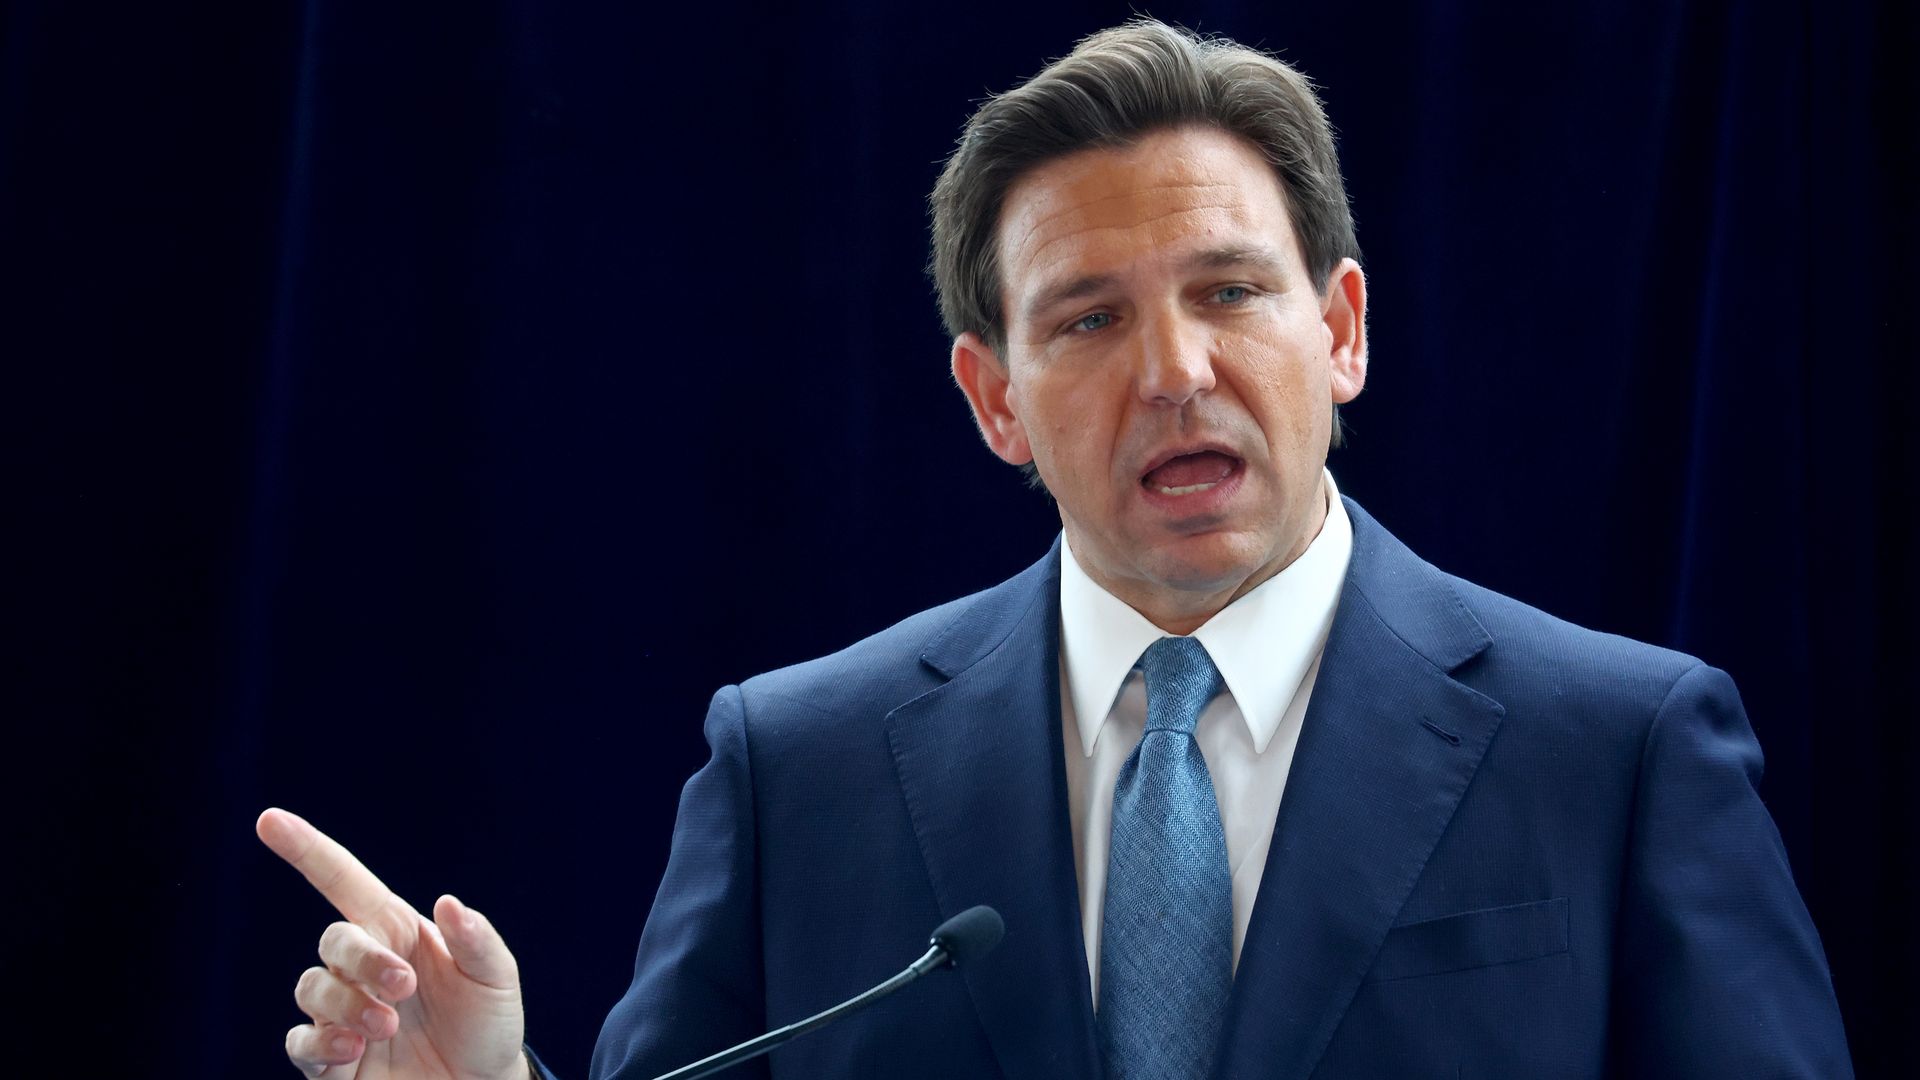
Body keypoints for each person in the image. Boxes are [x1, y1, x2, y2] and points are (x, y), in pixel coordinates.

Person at [259, 18, 1853, 1079]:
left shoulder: (1620, 747)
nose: (1173, 370)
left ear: (1343, 328)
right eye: (1089, 318)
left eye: (1230, 291)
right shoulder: (799, 763)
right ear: (994, 399)